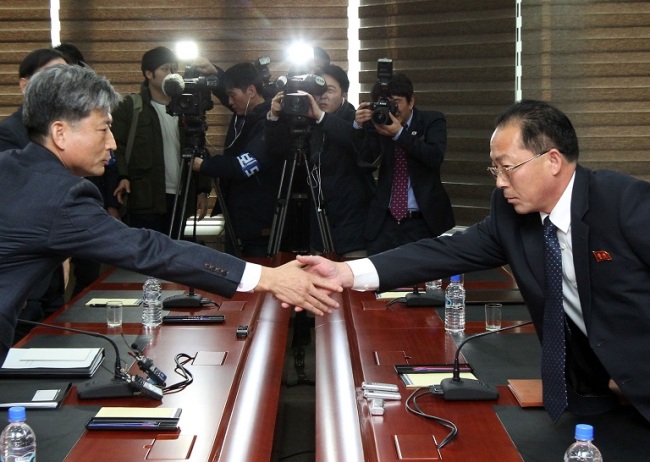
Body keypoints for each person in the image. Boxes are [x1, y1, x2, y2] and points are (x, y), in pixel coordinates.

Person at [298, 99, 650, 424]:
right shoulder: (511, 214)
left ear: (553, 161)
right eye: (494, 169)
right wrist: (346, 272)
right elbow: (444, 251)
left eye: (507, 168)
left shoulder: (624, 204)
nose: (499, 183)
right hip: (593, 391)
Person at [0, 64, 341, 362]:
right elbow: (148, 249)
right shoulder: (62, 195)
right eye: (103, 129)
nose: (113, 144)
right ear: (60, 132)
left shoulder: (10, 167)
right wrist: (267, 277)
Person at [266, 64, 375, 256]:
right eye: (319, 90)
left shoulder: (357, 120)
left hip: (352, 227)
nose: (323, 96)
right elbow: (277, 151)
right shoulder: (308, 120)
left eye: (330, 90)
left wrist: (321, 117)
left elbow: (360, 148)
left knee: (355, 285)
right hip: (318, 226)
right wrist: (274, 117)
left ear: (344, 94)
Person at [0, 48, 70, 342]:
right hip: (22, 266)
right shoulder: (9, 132)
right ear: (25, 85)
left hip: (54, 262)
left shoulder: (64, 131)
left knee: (52, 337)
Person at [112, 46, 210, 236]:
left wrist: (202, 190)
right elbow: (116, 147)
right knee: (147, 258)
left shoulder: (186, 107)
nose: (171, 74)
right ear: (149, 73)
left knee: (176, 257)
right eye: (165, 69)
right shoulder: (131, 107)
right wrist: (122, 176)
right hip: (145, 198)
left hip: (181, 197)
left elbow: (198, 146)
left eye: (174, 69)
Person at [354, 73, 455, 255]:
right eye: (384, 103)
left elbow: (434, 157)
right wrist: (360, 127)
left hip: (422, 223)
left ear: (411, 101)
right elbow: (365, 165)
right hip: (384, 223)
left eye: (396, 102)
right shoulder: (377, 123)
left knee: (424, 279)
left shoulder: (432, 121)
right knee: (380, 279)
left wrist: (399, 134)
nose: (391, 109)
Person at [193, 62, 283, 257]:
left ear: (251, 91)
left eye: (232, 95)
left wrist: (205, 165)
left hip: (258, 222)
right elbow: (230, 92)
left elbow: (246, 165)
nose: (230, 102)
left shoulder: (271, 122)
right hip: (239, 216)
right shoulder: (244, 114)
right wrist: (216, 71)